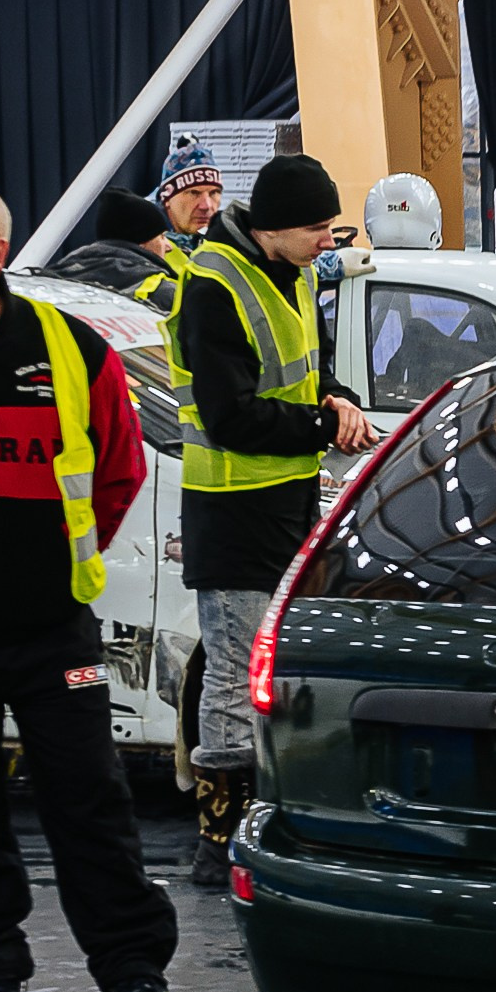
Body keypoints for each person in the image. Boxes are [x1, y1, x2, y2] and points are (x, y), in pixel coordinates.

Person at [0, 187, 182, 992]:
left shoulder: (64, 348)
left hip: (49, 624)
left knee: (88, 794)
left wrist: (63, 563)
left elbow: (119, 469)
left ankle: (131, 968)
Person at [165, 154, 377, 887]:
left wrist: (340, 399)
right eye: (318, 228)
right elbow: (230, 416)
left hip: (286, 503)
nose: (328, 240)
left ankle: (268, 817)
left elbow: (308, 374)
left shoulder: (291, 274)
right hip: (230, 510)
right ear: (276, 227)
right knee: (230, 675)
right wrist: (322, 425)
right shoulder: (215, 284)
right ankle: (218, 835)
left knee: (270, 671)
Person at [49, 189, 179, 309]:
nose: (168, 246)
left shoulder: (54, 279)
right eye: (161, 237)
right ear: (142, 242)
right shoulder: (164, 292)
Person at [155, 134, 221, 261]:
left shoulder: (224, 239)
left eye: (213, 193)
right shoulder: (144, 243)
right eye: (194, 193)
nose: (206, 206)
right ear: (167, 198)